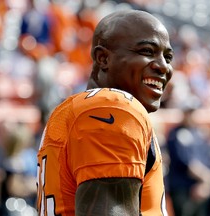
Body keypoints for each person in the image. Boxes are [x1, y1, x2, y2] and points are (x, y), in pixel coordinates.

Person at [36, 9, 174, 216]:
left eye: (168, 57)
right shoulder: (111, 107)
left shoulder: (74, 110)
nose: (164, 67)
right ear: (103, 58)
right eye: (147, 51)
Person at [166, 105, 210, 216]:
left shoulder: (199, 133)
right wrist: (206, 178)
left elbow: (209, 159)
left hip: (201, 188)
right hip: (183, 188)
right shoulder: (176, 134)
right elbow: (186, 162)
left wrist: (205, 184)